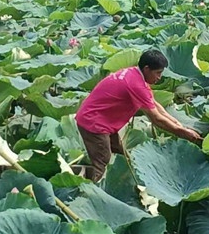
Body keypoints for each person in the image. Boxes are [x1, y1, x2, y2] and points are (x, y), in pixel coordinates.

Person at [75, 49, 202, 182]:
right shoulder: (136, 85)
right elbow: (156, 119)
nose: (159, 78)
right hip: (93, 123)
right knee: (103, 164)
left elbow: (156, 106)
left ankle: (124, 188)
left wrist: (180, 125)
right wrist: (181, 133)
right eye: (157, 73)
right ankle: (92, 193)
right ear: (147, 69)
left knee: (122, 160)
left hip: (103, 120)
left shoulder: (135, 74)